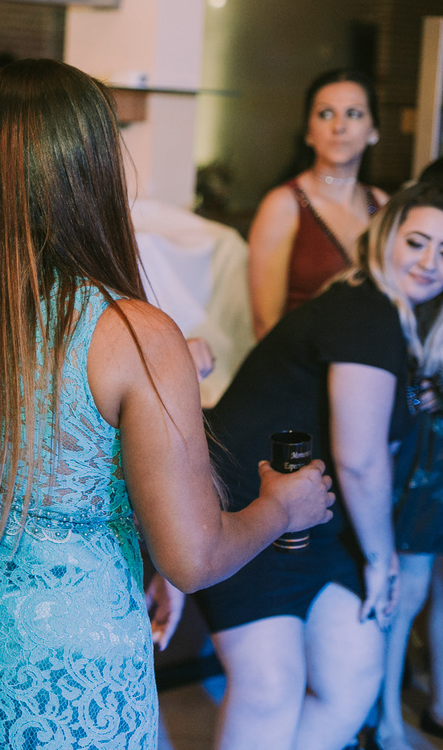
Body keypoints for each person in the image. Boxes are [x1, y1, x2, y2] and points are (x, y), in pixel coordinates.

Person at [0, 58, 334, 750]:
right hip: (57, 680)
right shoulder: (127, 332)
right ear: (93, 168)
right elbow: (194, 555)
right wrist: (283, 506)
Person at [194, 181, 443, 750]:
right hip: (252, 516)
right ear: (386, 238)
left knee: (352, 680)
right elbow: (360, 460)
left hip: (318, 524)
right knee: (270, 689)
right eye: (417, 242)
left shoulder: (396, 319)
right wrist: (382, 560)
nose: (430, 262)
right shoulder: (365, 309)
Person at [376, 157, 443, 750]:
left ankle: (439, 701)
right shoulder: (407, 289)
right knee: (412, 584)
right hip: (423, 453)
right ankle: (387, 718)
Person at [248, 69, 387, 340]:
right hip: (299, 359)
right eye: (325, 114)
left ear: (373, 131)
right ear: (309, 133)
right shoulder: (283, 204)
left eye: (354, 114)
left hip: (372, 357)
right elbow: (266, 326)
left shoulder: (382, 203)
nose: (339, 126)